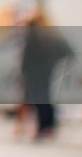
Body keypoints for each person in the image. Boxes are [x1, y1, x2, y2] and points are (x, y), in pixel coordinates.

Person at [20, 7, 72, 140]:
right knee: (44, 98)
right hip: (45, 72)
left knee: (39, 99)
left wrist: (24, 72)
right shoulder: (49, 35)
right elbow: (66, 52)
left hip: (36, 74)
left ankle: (44, 127)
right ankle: (48, 126)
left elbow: (27, 58)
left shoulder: (35, 37)